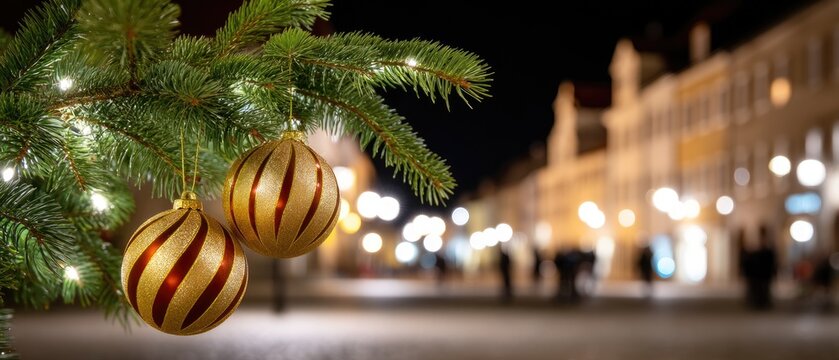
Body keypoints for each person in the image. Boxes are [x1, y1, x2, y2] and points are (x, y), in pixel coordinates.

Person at [746, 224, 777, 309]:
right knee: (759, 288)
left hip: (764, 272)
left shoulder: (767, 249)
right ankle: (759, 302)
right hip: (759, 273)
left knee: (764, 288)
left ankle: (763, 302)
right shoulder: (758, 249)